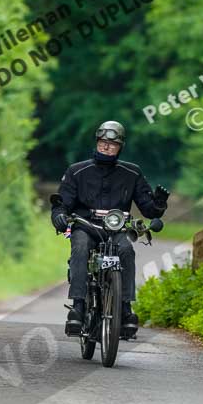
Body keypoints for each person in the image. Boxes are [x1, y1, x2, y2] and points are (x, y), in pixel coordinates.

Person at [51, 120, 169, 337]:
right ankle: (77, 307)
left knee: (127, 250)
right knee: (79, 245)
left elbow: (148, 209)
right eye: (103, 142)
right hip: (85, 226)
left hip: (117, 231)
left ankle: (125, 310)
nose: (106, 147)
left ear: (120, 147)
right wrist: (59, 215)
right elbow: (62, 203)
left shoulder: (132, 173)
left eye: (112, 144)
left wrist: (159, 202)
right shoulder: (77, 171)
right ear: (97, 142)